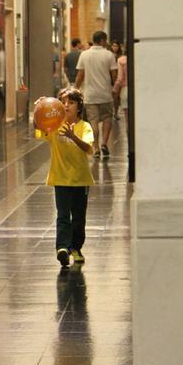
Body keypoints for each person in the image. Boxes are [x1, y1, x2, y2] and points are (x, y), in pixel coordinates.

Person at [34, 88, 95, 267]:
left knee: (78, 217)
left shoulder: (85, 127)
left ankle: (75, 247)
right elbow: (38, 129)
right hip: (60, 178)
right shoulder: (54, 126)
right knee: (62, 215)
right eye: (63, 102)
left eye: (71, 102)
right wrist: (38, 111)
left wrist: (73, 136)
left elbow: (88, 148)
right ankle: (62, 248)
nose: (67, 106)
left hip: (81, 179)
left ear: (79, 107)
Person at [75, 30, 117, 159]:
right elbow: (114, 75)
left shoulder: (84, 55)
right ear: (103, 40)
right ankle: (104, 143)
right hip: (105, 94)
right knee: (107, 119)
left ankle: (96, 148)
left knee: (93, 121)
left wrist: (75, 88)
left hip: (90, 94)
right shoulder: (109, 55)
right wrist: (114, 88)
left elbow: (81, 75)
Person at [114, 48, 128, 121]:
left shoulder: (121, 60)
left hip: (125, 89)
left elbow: (120, 78)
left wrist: (115, 89)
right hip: (137, 89)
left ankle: (128, 131)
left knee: (127, 117)